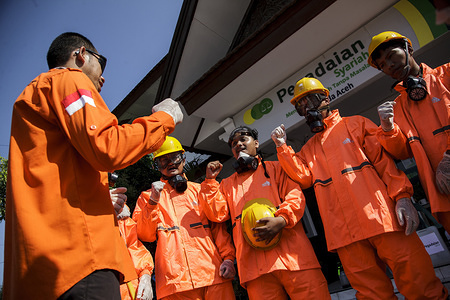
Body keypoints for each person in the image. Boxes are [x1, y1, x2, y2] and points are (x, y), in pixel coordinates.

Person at [3, 32, 183, 299]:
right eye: (102, 62)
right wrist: (163, 119)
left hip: (41, 271)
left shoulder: (30, 98)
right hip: (79, 261)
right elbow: (108, 146)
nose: (103, 77)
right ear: (81, 55)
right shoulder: (68, 79)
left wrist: (98, 200)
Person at [271, 76, 448, 299]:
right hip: (345, 234)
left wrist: (402, 197)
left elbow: (385, 164)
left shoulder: (356, 124)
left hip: (384, 220)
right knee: (371, 293)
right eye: (301, 106)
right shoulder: (308, 149)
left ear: (326, 98)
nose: (307, 109)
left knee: (417, 279)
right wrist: (282, 147)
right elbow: (303, 178)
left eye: (311, 101)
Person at [198, 126, 331, 300]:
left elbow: (295, 196)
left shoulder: (276, 168)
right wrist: (209, 182)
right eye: (233, 143)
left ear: (256, 143)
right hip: (255, 270)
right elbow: (217, 215)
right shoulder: (226, 185)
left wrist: (282, 220)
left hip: (294, 259)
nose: (238, 144)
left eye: (243, 139)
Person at [133, 136, 237, 300]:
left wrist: (229, 259)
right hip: (174, 284)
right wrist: (153, 201)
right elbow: (144, 235)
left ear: (183, 158)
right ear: (156, 166)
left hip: (213, 275)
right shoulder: (148, 197)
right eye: (163, 160)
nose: (170, 163)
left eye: (174, 157)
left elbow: (218, 227)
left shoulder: (201, 190)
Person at [367, 31, 450, 233]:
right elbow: (402, 152)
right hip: (444, 195)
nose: (389, 66)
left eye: (390, 56)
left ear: (408, 49)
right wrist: (388, 129)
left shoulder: (447, 75)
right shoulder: (398, 107)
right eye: (383, 65)